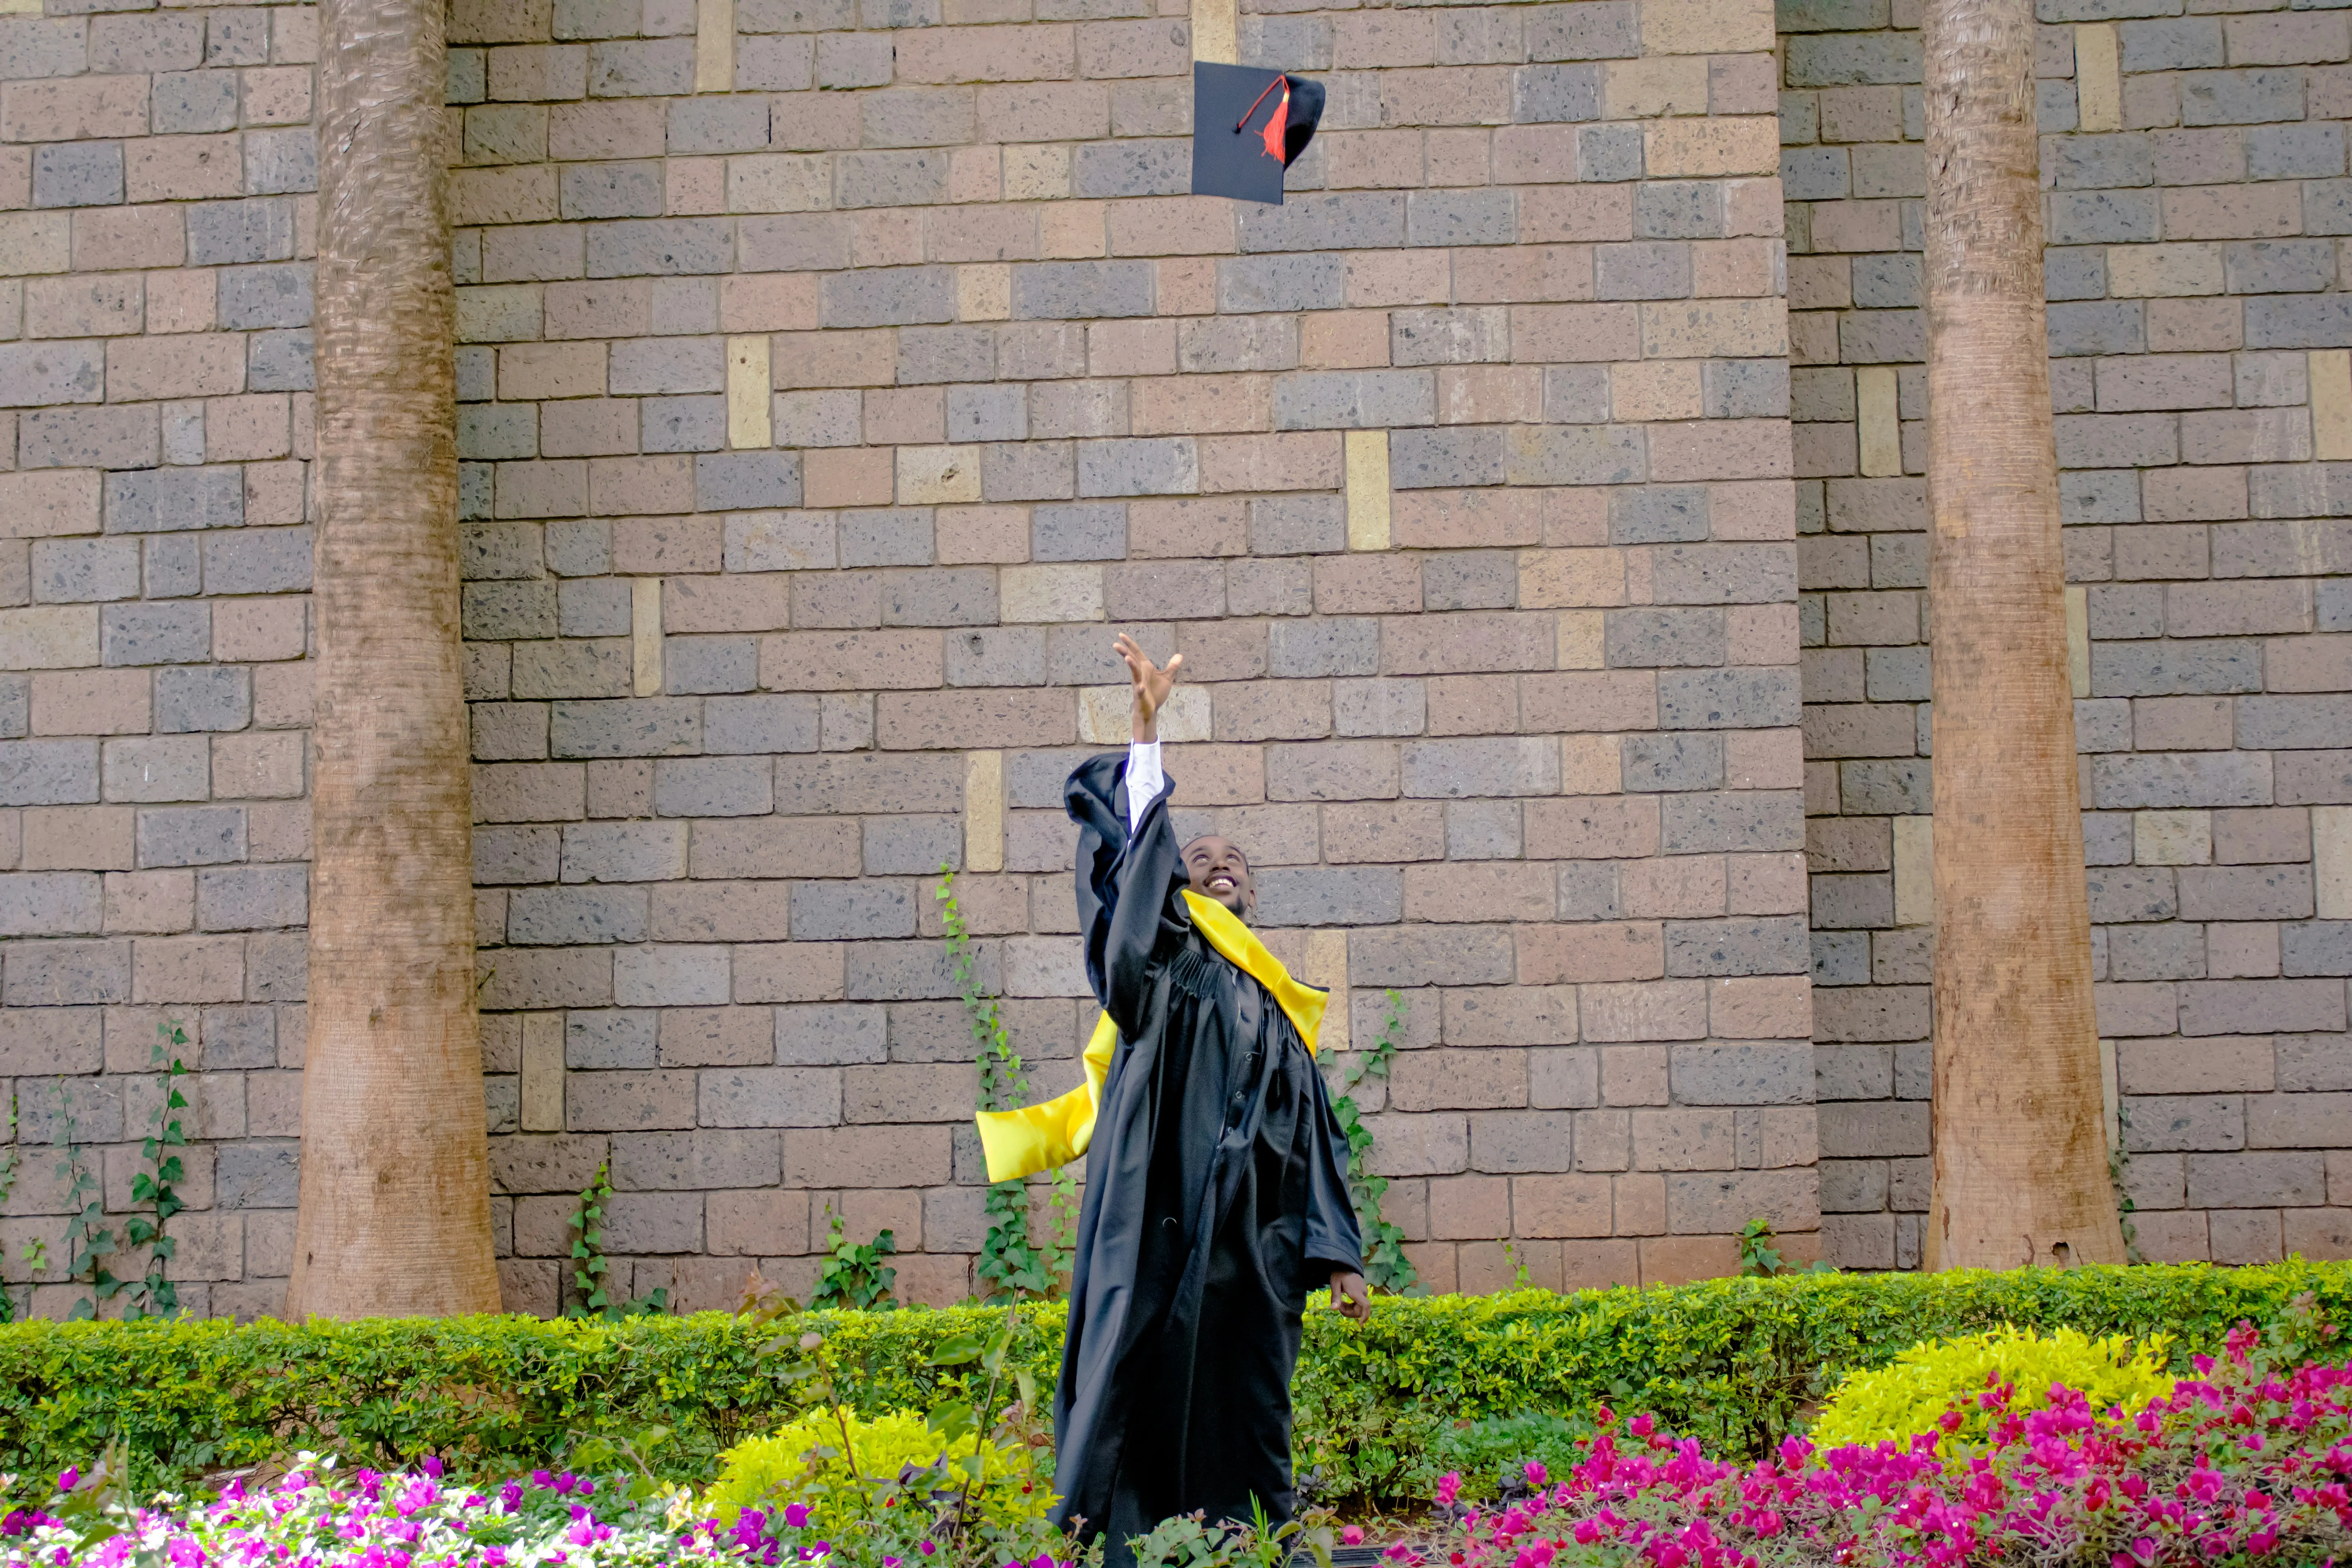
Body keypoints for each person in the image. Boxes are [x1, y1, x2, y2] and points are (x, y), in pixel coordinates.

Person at [972, 634, 1369, 1568]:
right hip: (1161, 1212)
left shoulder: (1278, 1004)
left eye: (1235, 858)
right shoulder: (1166, 957)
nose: (1219, 861)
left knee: (1252, 1395)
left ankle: (1254, 1546)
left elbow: (1316, 1135)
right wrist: (1146, 734)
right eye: (1200, 854)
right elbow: (1131, 901)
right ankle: (1127, 1550)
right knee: (1138, 1379)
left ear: (1255, 890)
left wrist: (1339, 1252)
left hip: (1255, 1237)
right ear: (1180, 883)